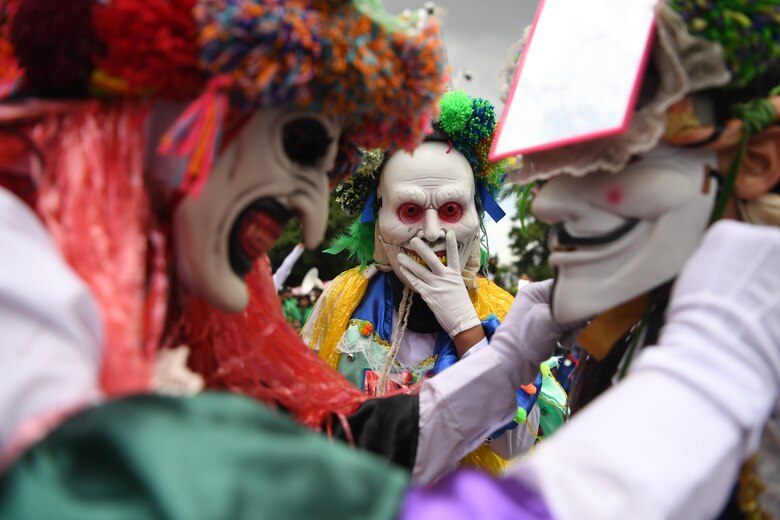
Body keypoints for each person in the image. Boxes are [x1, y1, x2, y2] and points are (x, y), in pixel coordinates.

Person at [482, 0, 780, 516]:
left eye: (611, 162)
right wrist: (497, 369)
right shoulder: (633, 328)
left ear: (754, 163)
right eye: (551, 172)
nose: (546, 205)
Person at [303, 90, 566, 475]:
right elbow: (301, 413)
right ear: (379, 219)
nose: (430, 232)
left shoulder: (503, 311)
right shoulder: (344, 297)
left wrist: (466, 327)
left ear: (476, 216)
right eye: (410, 210)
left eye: (450, 209)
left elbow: (515, 444)